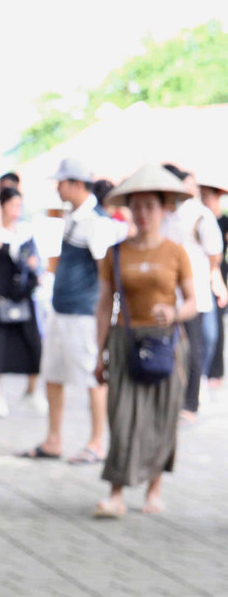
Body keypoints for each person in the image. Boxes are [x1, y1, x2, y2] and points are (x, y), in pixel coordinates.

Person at [92, 164, 196, 517]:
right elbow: (105, 303)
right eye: (136, 206)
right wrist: (100, 352)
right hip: (125, 340)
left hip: (167, 343)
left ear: (165, 208)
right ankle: (116, 493)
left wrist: (175, 313)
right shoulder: (115, 252)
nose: (143, 213)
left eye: (150, 206)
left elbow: (193, 303)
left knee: (162, 416)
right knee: (121, 416)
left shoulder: (176, 252)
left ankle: (155, 489)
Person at [21, 157, 117, 465]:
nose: (58, 188)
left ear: (76, 184)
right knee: (53, 375)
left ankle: (97, 442)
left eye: (61, 182)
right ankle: (54, 439)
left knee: (93, 378)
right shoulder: (75, 217)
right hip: (63, 312)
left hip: (83, 315)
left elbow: (106, 274)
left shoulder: (96, 222)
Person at [160, 164, 225, 423]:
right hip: (166, 293)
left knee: (194, 348)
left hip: (193, 293)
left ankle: (190, 403)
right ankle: (171, 398)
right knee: (168, 346)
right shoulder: (164, 214)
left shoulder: (200, 215)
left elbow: (214, 253)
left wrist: (209, 276)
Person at [0, 187, 43, 410]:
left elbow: (35, 261)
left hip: (23, 296)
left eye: (19, 205)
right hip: (1, 296)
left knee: (34, 345)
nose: (17, 210)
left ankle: (31, 391)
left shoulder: (25, 231)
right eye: (12, 205)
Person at [198, 171, 228, 390]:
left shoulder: (223, 221)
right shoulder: (199, 220)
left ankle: (214, 371)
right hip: (202, 273)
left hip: (218, 273)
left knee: (215, 325)